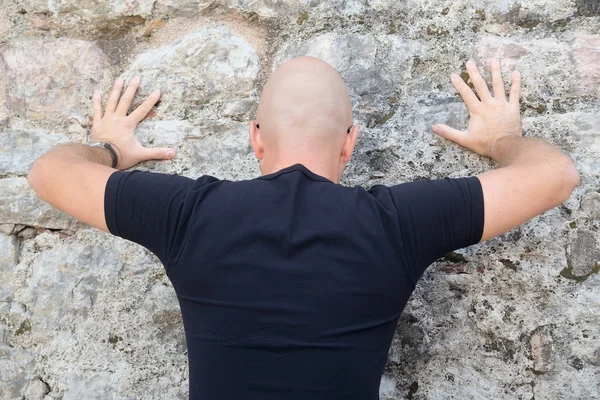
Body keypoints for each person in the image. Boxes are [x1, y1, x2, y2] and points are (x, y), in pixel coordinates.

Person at [27, 56, 579, 399]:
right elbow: (553, 175)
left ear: (255, 138)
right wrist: (500, 139)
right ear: (349, 142)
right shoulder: (399, 224)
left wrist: (113, 148)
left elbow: (49, 172)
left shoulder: (187, 214)